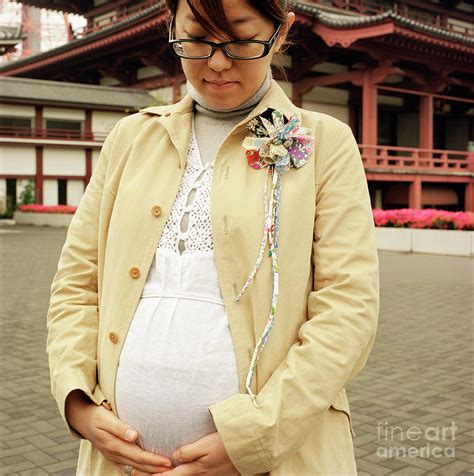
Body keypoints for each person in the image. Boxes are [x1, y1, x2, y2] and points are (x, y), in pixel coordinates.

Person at [46, 0, 380, 475]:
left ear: (280, 33)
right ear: (171, 30)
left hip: (273, 459)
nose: (217, 63)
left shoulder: (325, 143)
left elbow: (348, 308)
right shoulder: (130, 139)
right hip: (119, 460)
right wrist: (77, 398)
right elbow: (78, 282)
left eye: (241, 40)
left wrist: (255, 436)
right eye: (197, 40)